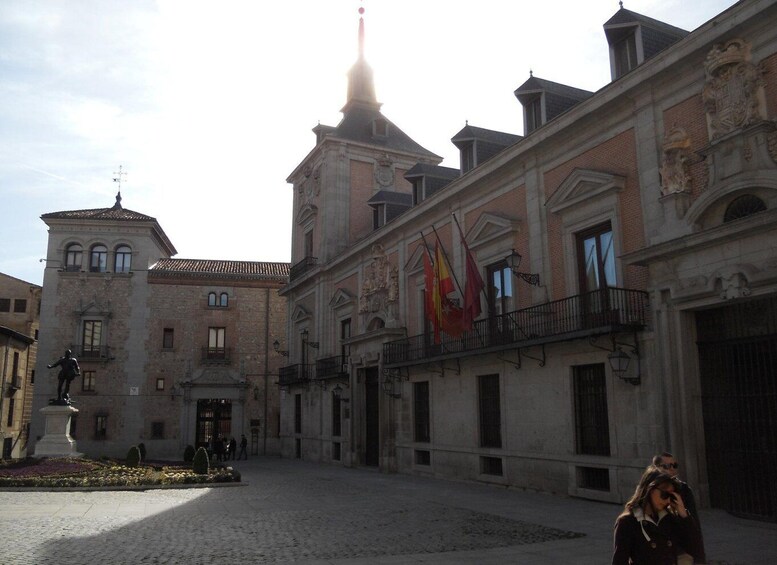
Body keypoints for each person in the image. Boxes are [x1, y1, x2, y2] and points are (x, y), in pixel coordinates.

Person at [613, 468, 702, 565]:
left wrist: (683, 514)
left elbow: (695, 549)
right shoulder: (628, 522)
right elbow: (619, 561)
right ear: (649, 489)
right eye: (664, 494)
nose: (667, 501)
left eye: (671, 496)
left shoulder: (668, 519)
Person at [652, 452, 707, 564]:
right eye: (666, 466)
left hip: (680, 549)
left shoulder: (684, 490)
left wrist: (700, 558)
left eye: (674, 465)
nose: (671, 469)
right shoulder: (649, 490)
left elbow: (694, 524)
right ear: (656, 468)